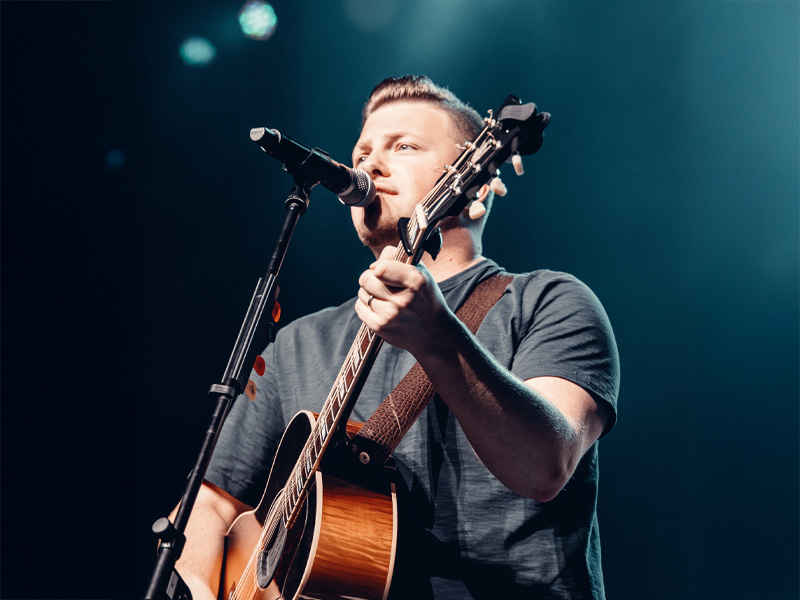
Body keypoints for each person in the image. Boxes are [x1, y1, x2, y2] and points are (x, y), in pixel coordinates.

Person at [173, 75, 620, 600]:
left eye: (404, 147)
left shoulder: (548, 302)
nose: (370, 166)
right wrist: (200, 587)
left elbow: (545, 466)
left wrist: (437, 338)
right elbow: (208, 503)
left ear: (476, 189)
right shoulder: (297, 344)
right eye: (361, 154)